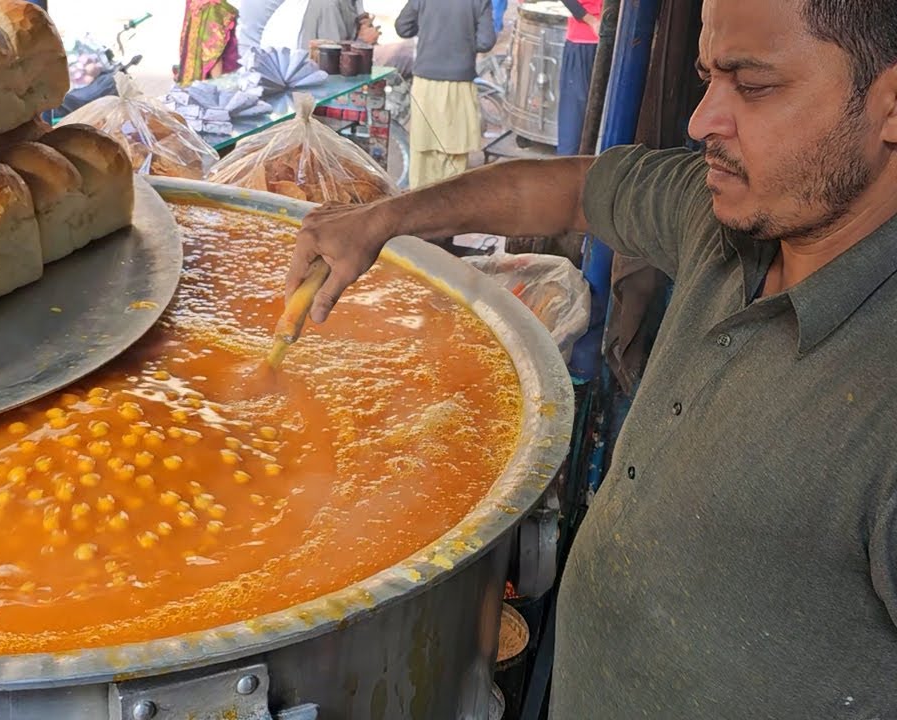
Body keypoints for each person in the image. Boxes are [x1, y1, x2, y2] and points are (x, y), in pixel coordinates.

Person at [284, 0, 897, 716]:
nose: (702, 122)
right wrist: (385, 219)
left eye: (753, 86)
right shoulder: (723, 216)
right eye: (706, 79)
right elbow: (576, 188)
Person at [395, 0, 496, 188]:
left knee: (423, 149)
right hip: (460, 84)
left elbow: (403, 28)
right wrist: (462, 41)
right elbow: (485, 41)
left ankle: (420, 204)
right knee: (454, 151)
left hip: (425, 83)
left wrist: (429, 29)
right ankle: (448, 207)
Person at [556, 0, 603, 155]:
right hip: (582, 43)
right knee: (574, 117)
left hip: (613, 43)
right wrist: (592, 21)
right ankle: (566, 170)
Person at [177, 0, 242, 84]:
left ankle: (217, 85)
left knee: (214, 44)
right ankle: (212, 84)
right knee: (206, 43)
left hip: (211, 6)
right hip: (199, 6)